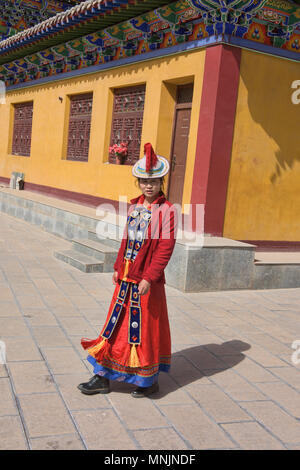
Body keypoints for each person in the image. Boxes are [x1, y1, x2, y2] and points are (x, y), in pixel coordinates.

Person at [78, 143, 177, 398]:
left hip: (146, 283)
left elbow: (165, 248)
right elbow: (126, 240)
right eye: (144, 181)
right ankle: (102, 377)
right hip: (125, 278)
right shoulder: (134, 207)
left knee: (142, 330)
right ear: (139, 183)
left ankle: (147, 381)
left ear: (161, 182)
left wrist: (149, 277)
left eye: (154, 181)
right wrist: (117, 266)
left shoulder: (166, 212)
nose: (148, 186)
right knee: (114, 326)